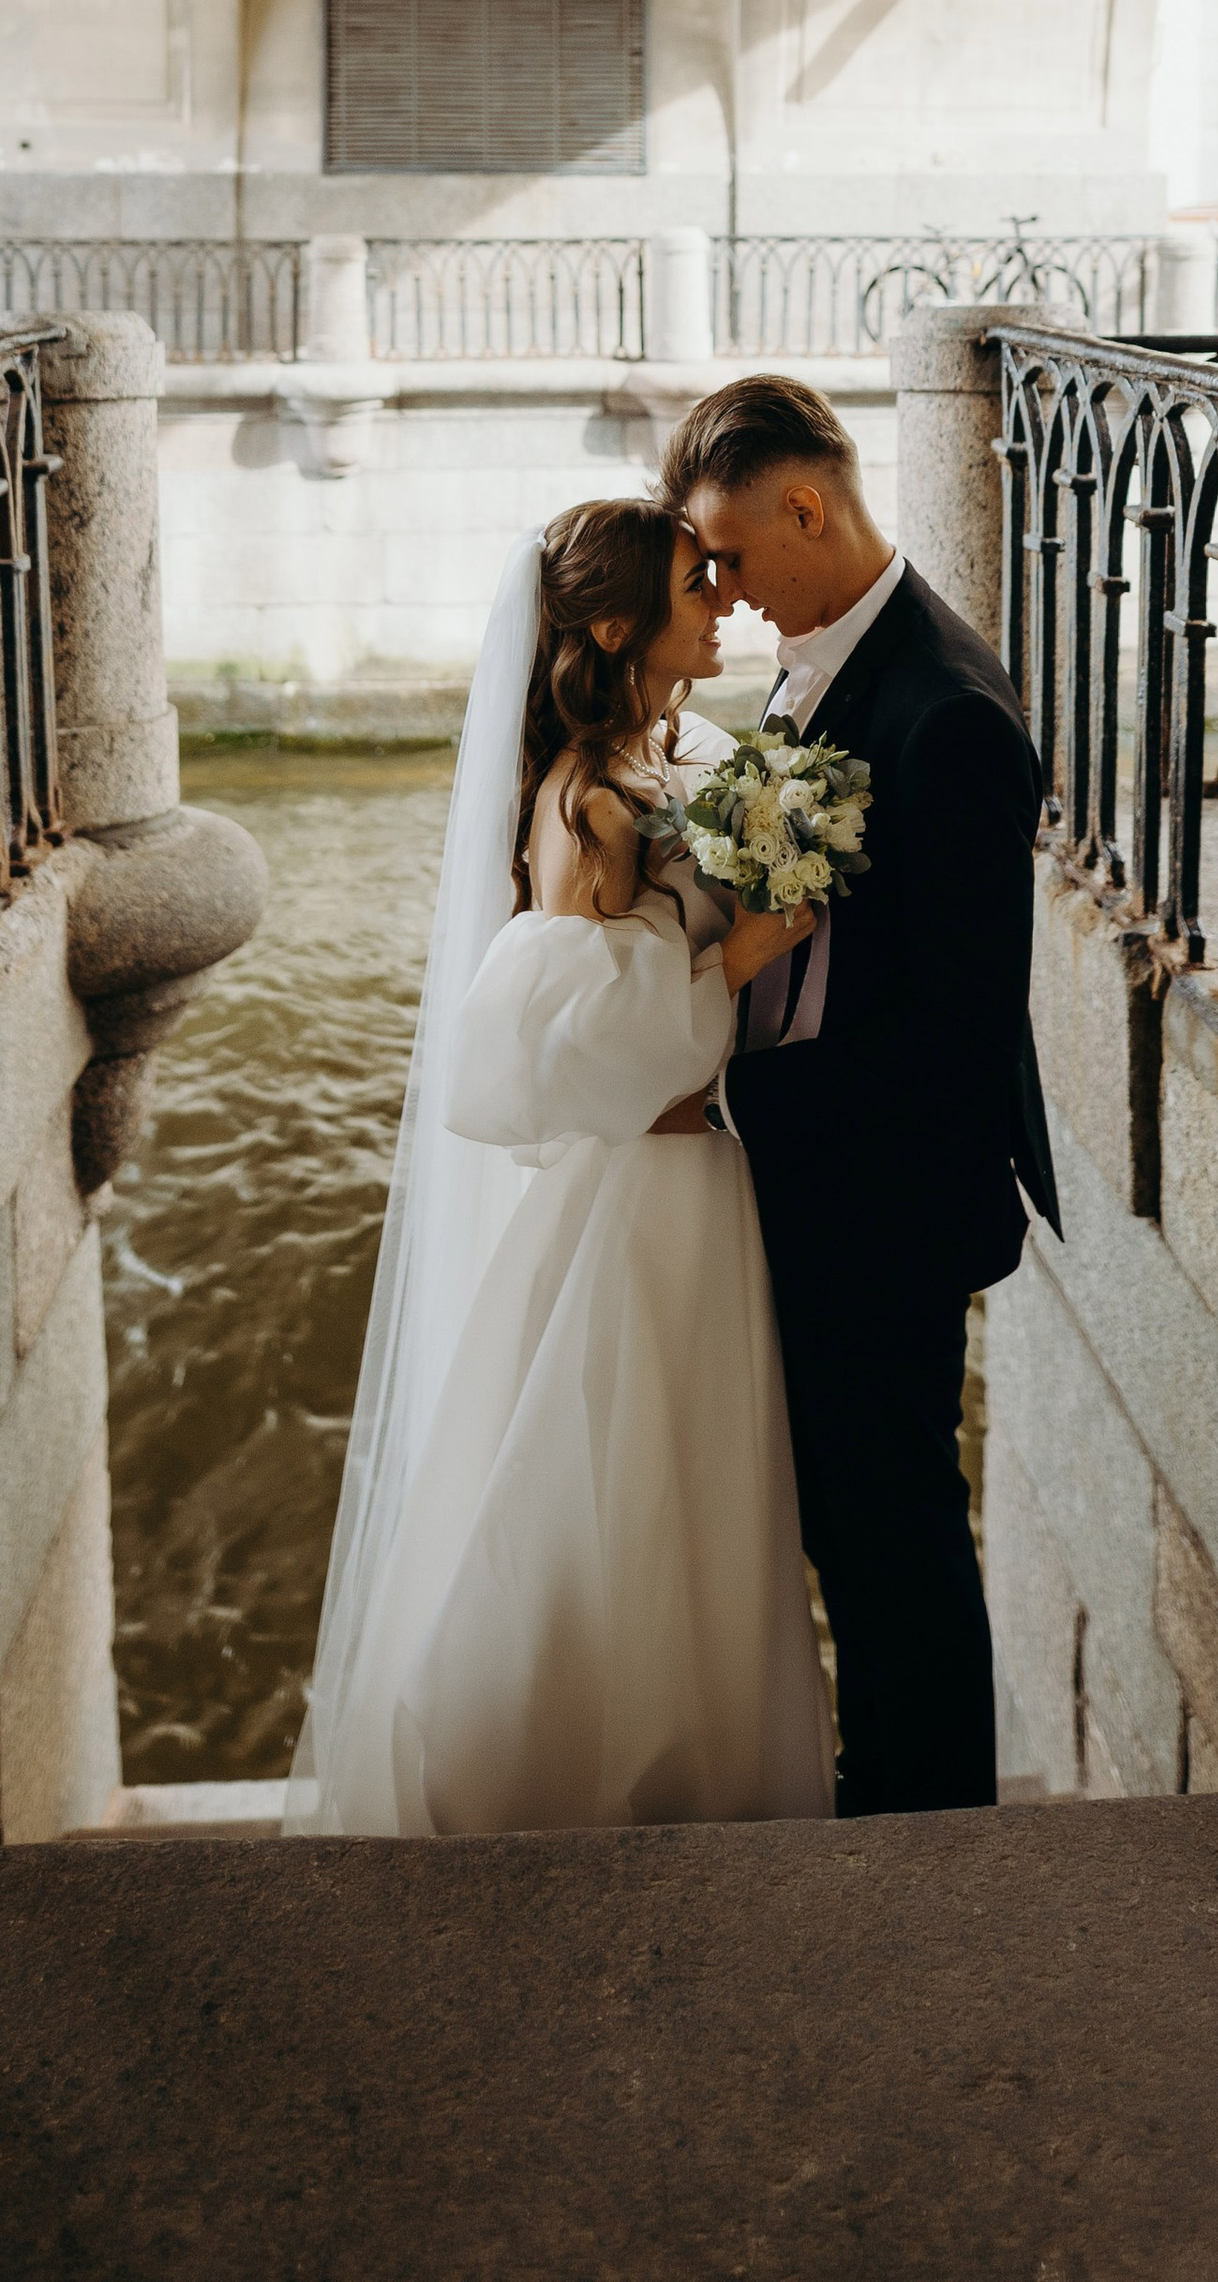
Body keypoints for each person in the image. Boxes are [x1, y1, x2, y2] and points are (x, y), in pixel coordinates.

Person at [287, 497, 833, 1835]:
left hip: (708, 1187)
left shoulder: (689, 752)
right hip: (641, 1199)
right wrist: (742, 957)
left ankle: (711, 1770)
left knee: (701, 1505)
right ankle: (587, 1774)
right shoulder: (585, 795)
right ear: (613, 625)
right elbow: (559, 1026)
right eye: (694, 587)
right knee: (620, 1496)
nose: (721, 600)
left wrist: (782, 864)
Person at [659, 373, 1059, 1818]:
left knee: (894, 1527)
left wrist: (738, 1105)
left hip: (885, 1200)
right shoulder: (825, 658)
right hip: (826, 1183)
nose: (720, 586)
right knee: (851, 1518)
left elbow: (958, 1033)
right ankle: (878, 1784)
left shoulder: (945, 712)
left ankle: (933, 1826)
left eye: (729, 552)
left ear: (809, 506)